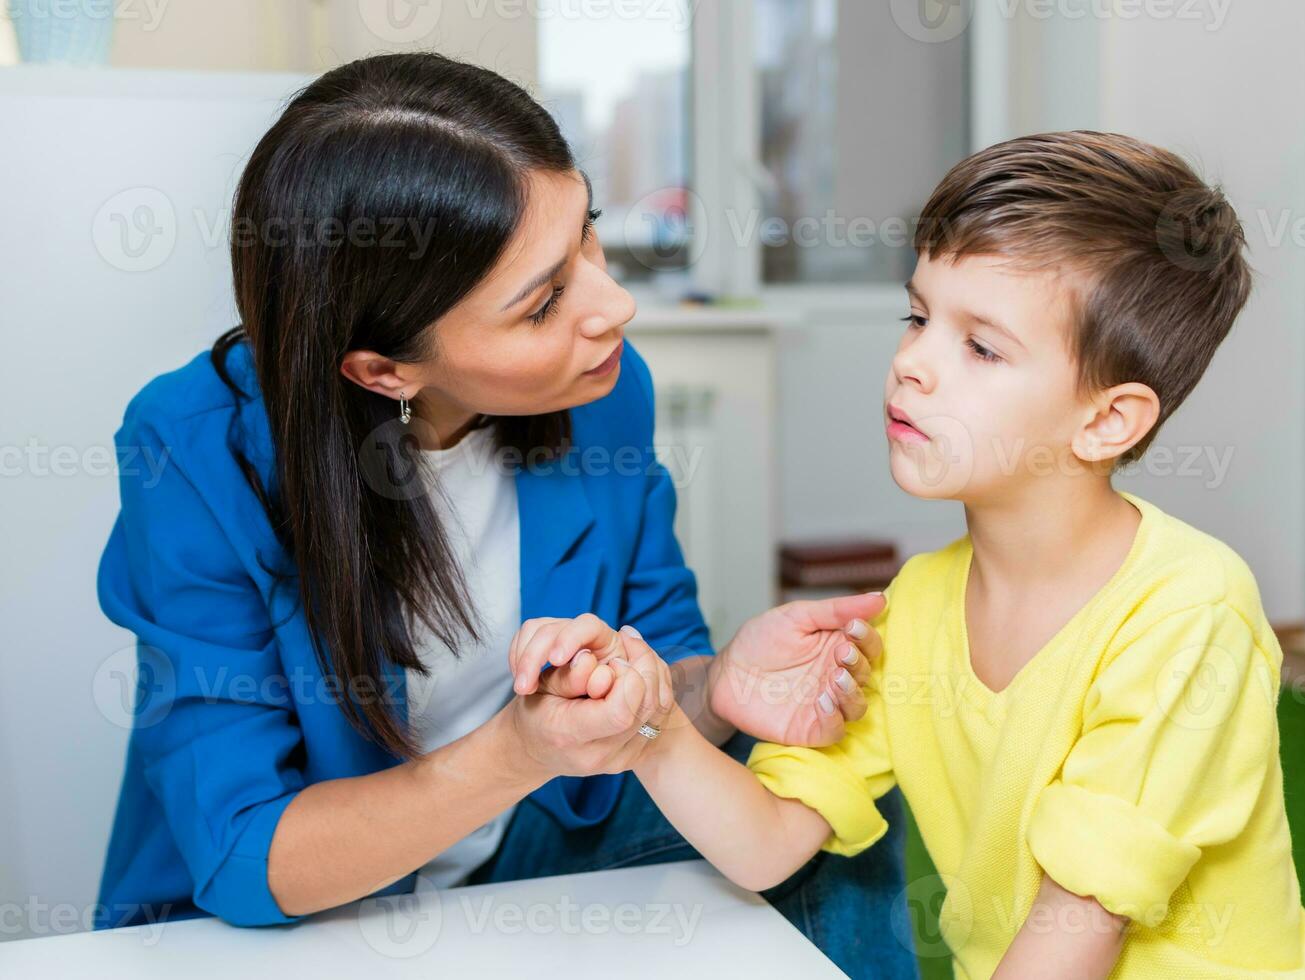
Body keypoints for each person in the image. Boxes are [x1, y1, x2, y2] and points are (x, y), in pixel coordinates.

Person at [94, 52, 914, 979]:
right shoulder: (194, 451)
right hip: (314, 903)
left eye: (589, 235)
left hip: (542, 842)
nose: (616, 305)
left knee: (831, 784)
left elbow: (656, 663)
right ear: (383, 371)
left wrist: (715, 683)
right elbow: (247, 852)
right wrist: (518, 752)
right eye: (546, 301)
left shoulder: (607, 393)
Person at [552, 132, 1305, 978]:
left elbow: (1075, 933)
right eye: (919, 317)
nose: (910, 365)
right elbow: (769, 847)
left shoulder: (1189, 611)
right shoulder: (915, 605)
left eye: (981, 346)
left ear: (1108, 421)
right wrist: (654, 728)